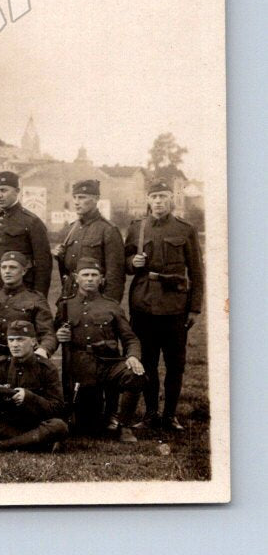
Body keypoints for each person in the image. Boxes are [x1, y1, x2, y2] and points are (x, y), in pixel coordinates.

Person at [124, 178, 205, 431]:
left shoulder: (185, 229)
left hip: (175, 306)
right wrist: (132, 262)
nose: (158, 201)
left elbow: (196, 271)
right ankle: (150, 414)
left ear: (171, 199)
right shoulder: (137, 227)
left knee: (175, 364)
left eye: (163, 196)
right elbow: (124, 261)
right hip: (143, 305)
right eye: (154, 197)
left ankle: (170, 415)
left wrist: (194, 308)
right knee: (147, 362)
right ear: (148, 200)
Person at [55, 259, 145, 441]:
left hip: (109, 364)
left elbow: (130, 338)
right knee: (88, 426)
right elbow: (53, 333)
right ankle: (104, 415)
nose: (89, 279)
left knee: (135, 375)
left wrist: (133, 357)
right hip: (81, 368)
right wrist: (59, 335)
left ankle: (124, 426)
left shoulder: (111, 306)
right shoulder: (65, 306)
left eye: (94, 275)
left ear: (101, 279)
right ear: (76, 278)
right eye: (85, 275)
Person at [0, 320, 68, 452]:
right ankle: (38, 444)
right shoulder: (1, 366)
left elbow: (57, 409)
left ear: (33, 342)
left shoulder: (46, 368)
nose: (15, 344)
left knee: (59, 426)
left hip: (36, 423)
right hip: (9, 423)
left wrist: (29, 398)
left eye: (20, 339)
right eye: (11, 340)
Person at [0, 252, 57, 382]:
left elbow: (48, 334)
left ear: (23, 271)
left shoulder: (35, 299)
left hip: (23, 363)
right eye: (3, 267)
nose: (7, 271)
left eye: (13, 267)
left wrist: (43, 350)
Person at [0, 171, 53, 295]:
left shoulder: (31, 221)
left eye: (3, 190)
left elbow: (43, 264)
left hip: (19, 287)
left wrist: (39, 296)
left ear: (17, 191)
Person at [53, 180, 125, 302]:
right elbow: (67, 271)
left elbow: (115, 274)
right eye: (75, 197)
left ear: (96, 199)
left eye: (82, 197)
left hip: (96, 298)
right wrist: (60, 256)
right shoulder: (70, 230)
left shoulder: (108, 229)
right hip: (70, 297)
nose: (76, 202)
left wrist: (110, 304)